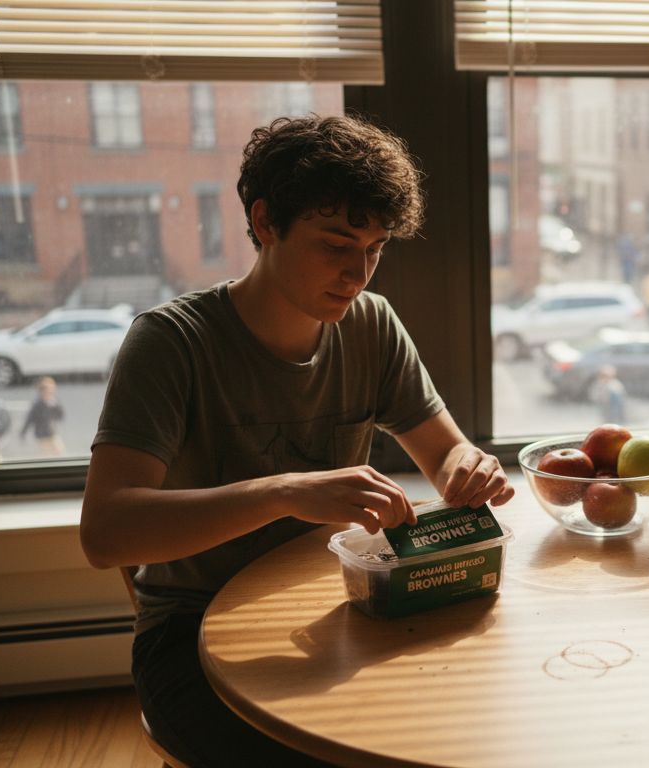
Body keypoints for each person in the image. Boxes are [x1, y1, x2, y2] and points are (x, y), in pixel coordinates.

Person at [79, 115, 515, 767]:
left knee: (469, 728)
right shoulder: (172, 344)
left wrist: (467, 469)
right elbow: (106, 533)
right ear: (264, 223)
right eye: (336, 242)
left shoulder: (371, 324)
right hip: (190, 629)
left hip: (336, 606)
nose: (358, 272)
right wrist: (283, 493)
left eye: (375, 247)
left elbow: (447, 453)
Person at [20, 375, 65, 455]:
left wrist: (56, 407)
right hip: (41, 436)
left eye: (51, 391)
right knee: (44, 453)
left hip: (52, 433)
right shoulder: (37, 405)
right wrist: (23, 432)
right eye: (47, 391)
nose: (49, 394)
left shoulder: (54, 402)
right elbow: (29, 419)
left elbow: (60, 416)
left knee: (59, 451)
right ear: (41, 392)